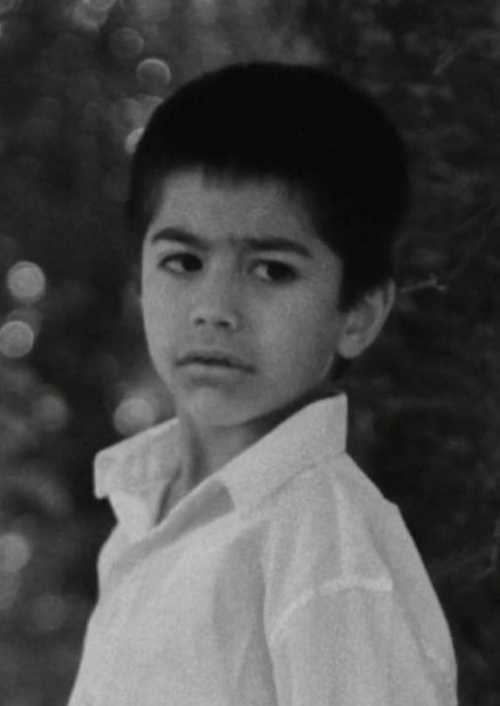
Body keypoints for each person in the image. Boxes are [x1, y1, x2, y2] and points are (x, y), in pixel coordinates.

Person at [67, 62, 457, 706]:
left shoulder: (321, 543)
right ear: (139, 281)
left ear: (357, 315)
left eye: (272, 271)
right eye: (183, 262)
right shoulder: (140, 517)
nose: (214, 307)